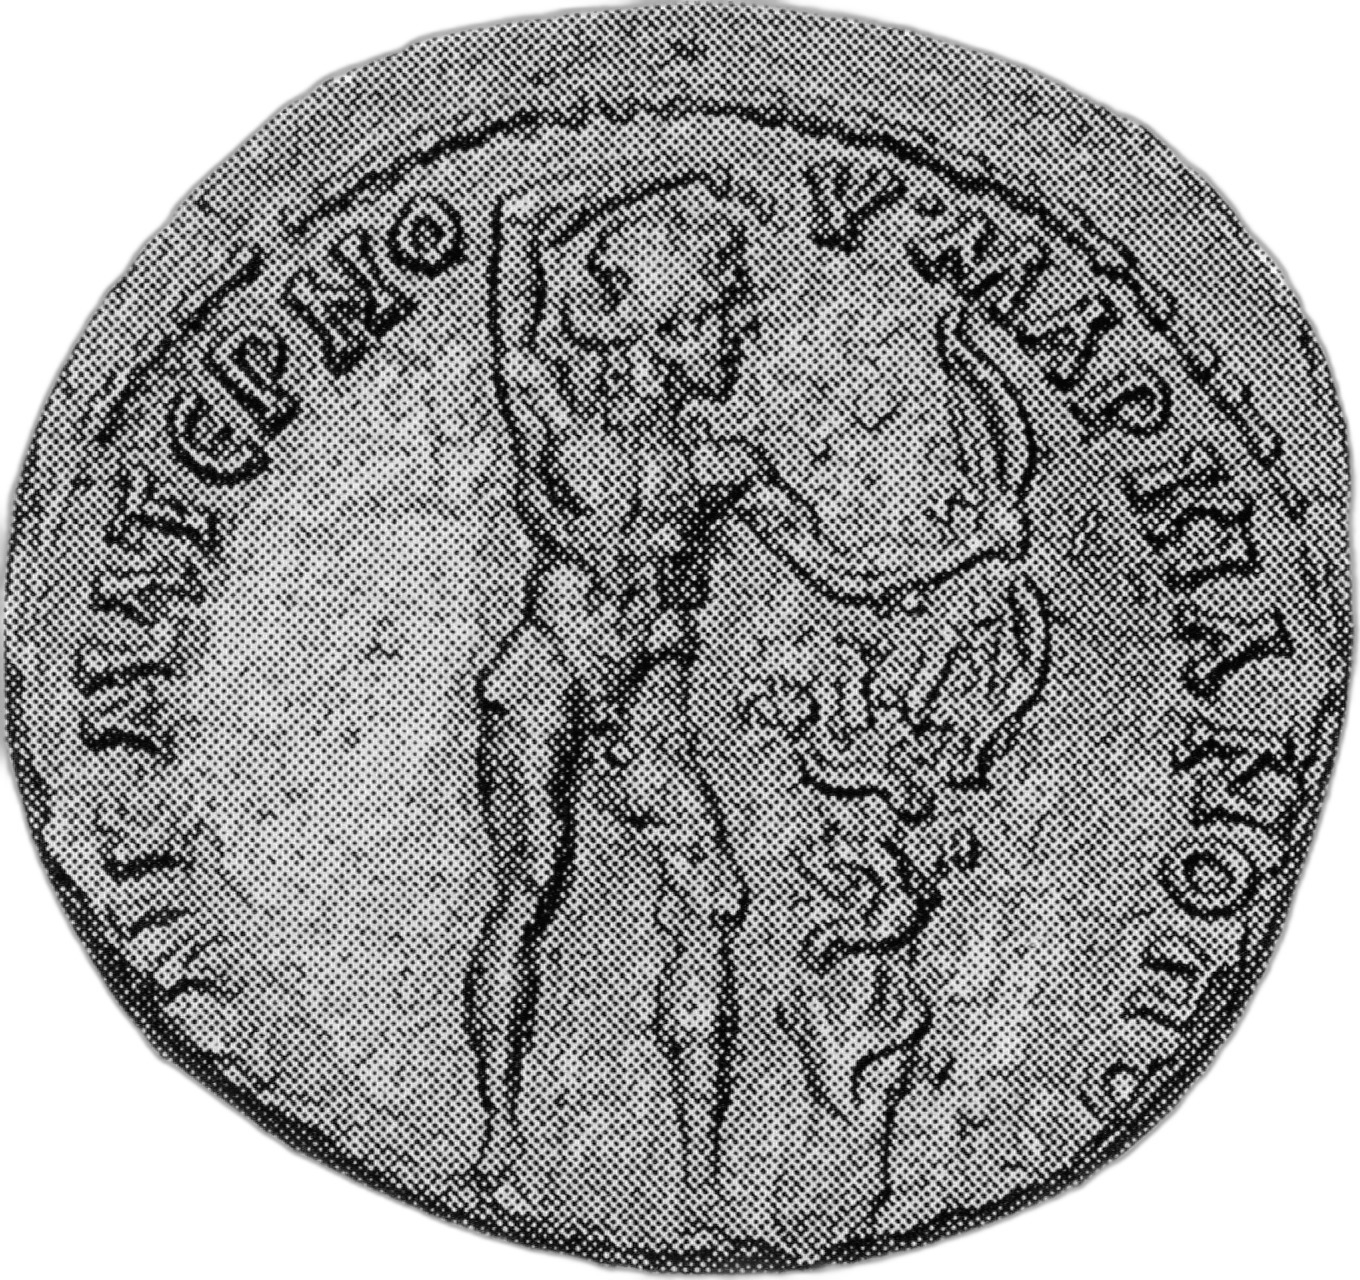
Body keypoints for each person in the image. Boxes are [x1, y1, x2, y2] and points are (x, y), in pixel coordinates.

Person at [463, 169, 1028, 1214]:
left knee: (711, 899)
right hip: (548, 672)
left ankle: (699, 1186)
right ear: (665, 326)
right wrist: (670, 177)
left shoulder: (723, 465)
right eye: (722, 313)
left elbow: (839, 566)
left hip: (649, 696)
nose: (740, 332)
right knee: (534, 876)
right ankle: (499, 1135)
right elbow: (518, 221)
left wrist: (963, 552)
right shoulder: (551, 416)